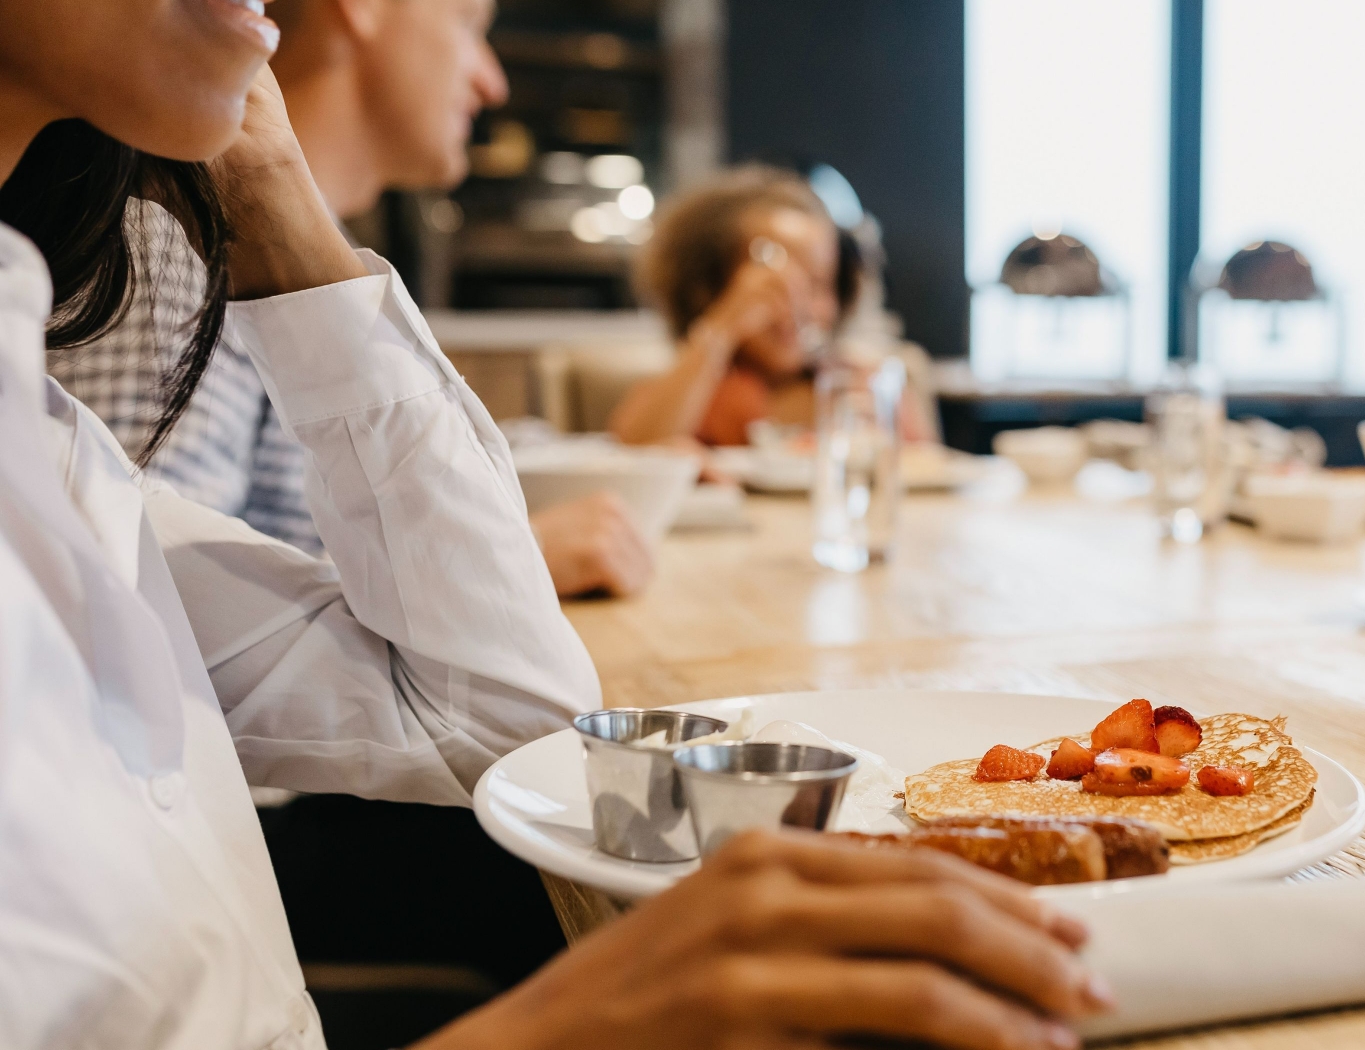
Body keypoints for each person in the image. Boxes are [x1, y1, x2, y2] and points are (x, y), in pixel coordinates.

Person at [0, 3, 1107, 1048]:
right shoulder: (117, 342)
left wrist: (275, 195)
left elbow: (501, 708)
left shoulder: (58, 453)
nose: (492, 73)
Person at [42, 0, 652, 600]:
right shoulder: (182, 238)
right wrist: (482, 570)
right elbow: (129, 590)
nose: (493, 83)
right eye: (469, 25)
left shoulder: (302, 254)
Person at [608, 165, 931, 447]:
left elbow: (921, 468)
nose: (796, 305)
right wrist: (719, 330)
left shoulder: (861, 386)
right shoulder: (696, 391)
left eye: (818, 285)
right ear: (708, 288)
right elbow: (637, 455)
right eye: (771, 286)